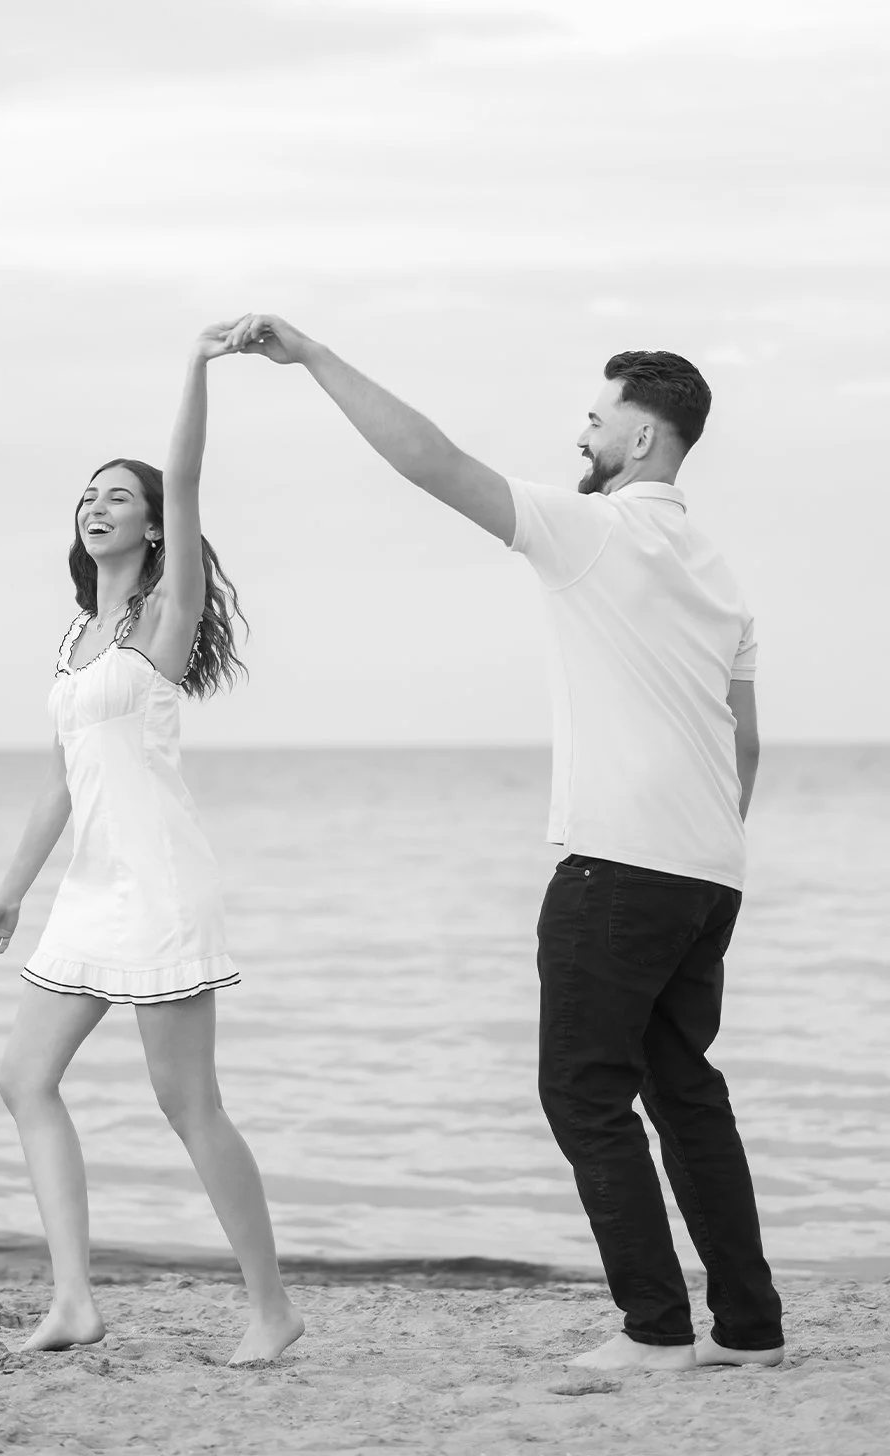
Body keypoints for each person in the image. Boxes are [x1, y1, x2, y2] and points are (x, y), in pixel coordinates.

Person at [228, 311, 784, 1374]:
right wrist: (705, 847)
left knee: (582, 1089)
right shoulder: (719, 571)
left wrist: (313, 359)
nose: (582, 434)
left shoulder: (595, 533)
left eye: (596, 419)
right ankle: (750, 1330)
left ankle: (657, 1329)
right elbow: (743, 743)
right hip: (707, 873)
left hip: (617, 867)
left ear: (641, 443)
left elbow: (430, 460)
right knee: (685, 1091)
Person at [0, 319, 303, 1366]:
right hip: (90, 888)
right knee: (24, 1078)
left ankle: (272, 1307)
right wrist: (10, 892)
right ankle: (73, 1299)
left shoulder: (163, 616)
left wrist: (197, 368)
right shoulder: (73, 641)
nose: (96, 505)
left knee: (187, 1102)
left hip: (158, 883)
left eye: (119, 495)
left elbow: (191, 477)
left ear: (156, 526)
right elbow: (59, 782)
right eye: (89, 495)